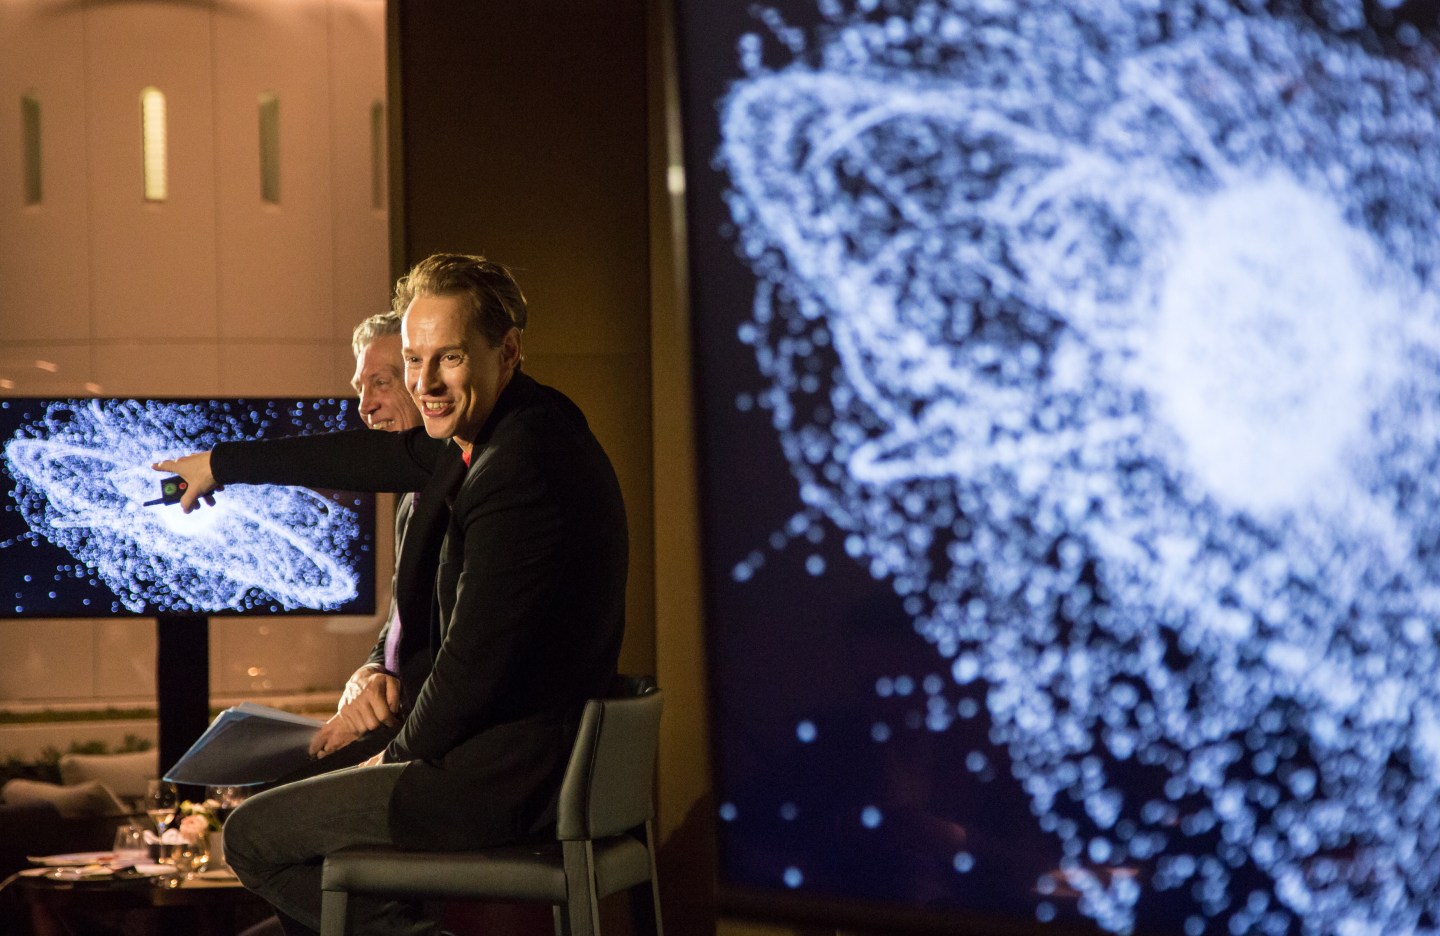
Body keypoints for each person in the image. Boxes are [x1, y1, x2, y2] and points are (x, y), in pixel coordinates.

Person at [153, 254, 629, 936]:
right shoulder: (513, 427)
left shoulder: (519, 467)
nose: (424, 384)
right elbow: (373, 457)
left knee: (252, 836)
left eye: (449, 359)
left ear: (508, 351)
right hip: (508, 755)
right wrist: (218, 465)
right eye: (413, 360)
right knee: (285, 813)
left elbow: (471, 667)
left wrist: (394, 756)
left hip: (504, 777)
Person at [304, 312, 424, 766]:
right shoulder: (411, 497)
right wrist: (373, 666)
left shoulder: (466, 493)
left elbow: (460, 665)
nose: (364, 406)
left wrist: (390, 756)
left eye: (381, 382)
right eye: (360, 388)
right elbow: (402, 621)